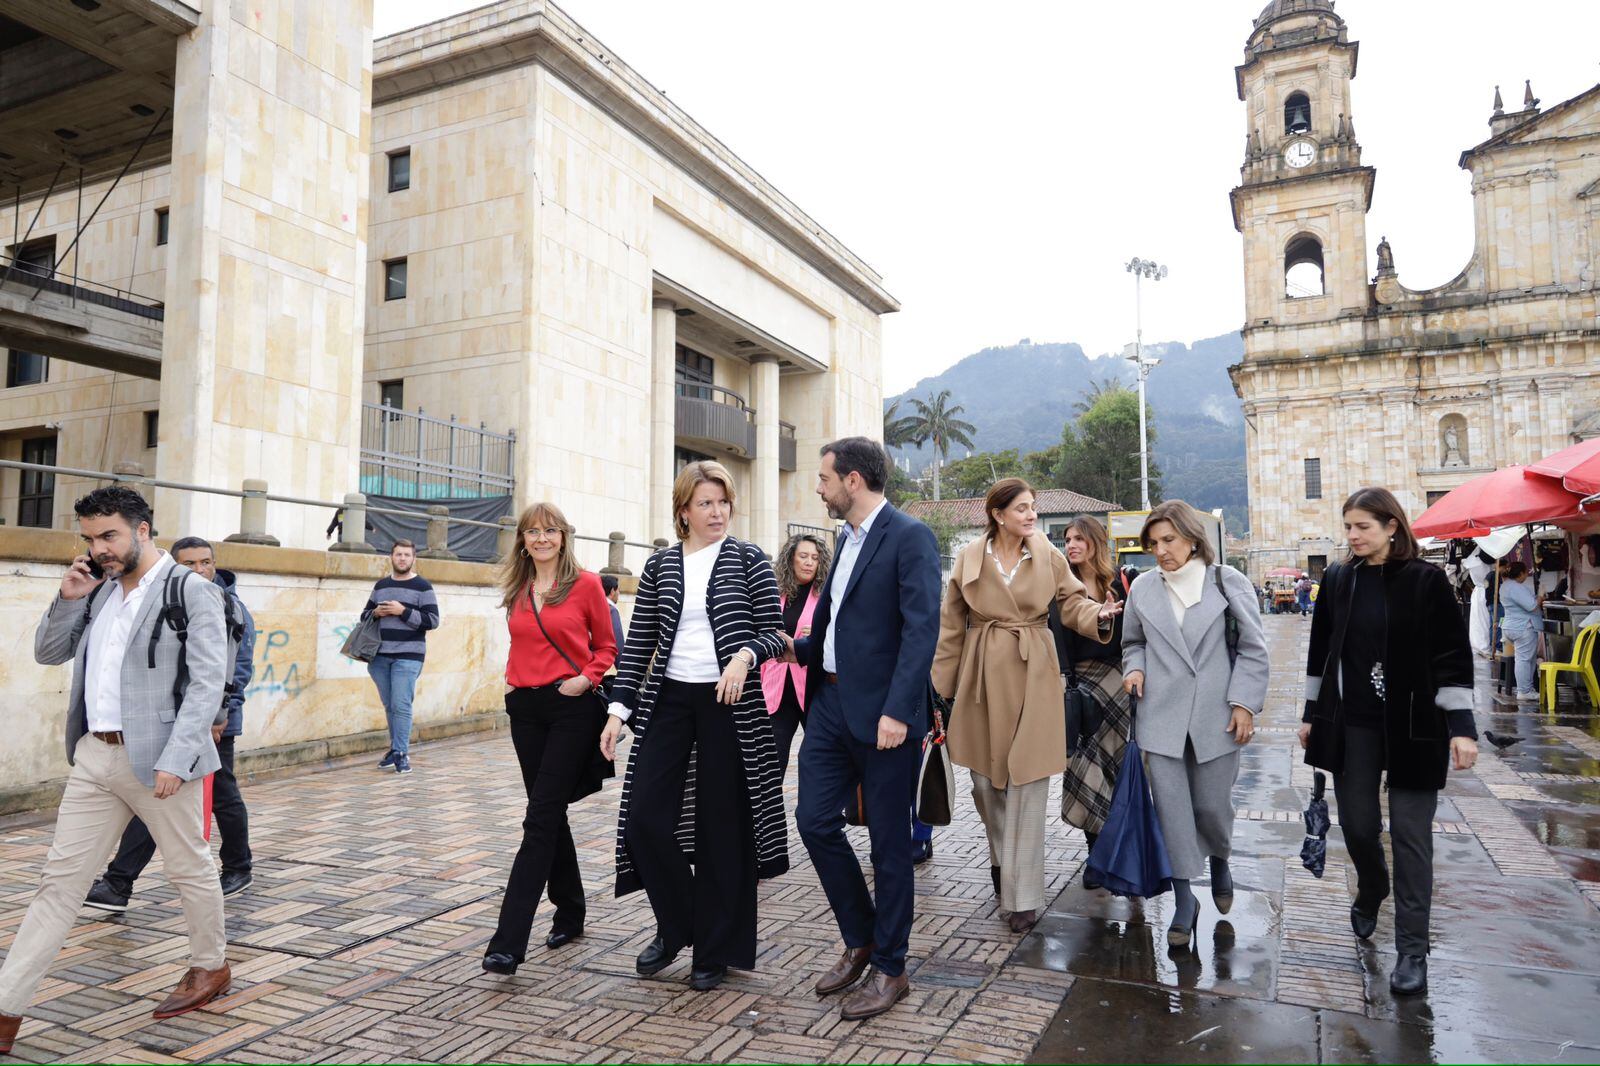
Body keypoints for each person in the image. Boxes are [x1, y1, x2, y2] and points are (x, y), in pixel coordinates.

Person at [1, 488, 232, 1055]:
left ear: (143, 530)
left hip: (161, 759)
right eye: (90, 538)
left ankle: (211, 965)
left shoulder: (191, 590)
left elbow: (208, 683)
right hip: (95, 756)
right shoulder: (98, 591)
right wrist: (67, 597)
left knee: (188, 867)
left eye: (109, 536)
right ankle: (6, 1011)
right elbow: (49, 654)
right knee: (60, 883)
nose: (99, 548)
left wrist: (178, 760)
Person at [599, 461, 789, 993]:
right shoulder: (660, 566)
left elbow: (775, 633)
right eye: (706, 503)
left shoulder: (749, 559)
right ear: (684, 510)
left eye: (724, 502)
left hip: (729, 704)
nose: (718, 512)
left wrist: (746, 654)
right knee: (644, 820)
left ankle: (714, 947)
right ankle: (679, 923)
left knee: (721, 831)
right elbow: (637, 647)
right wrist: (617, 713)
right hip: (670, 701)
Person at [1299, 487, 1478, 996]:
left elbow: (1451, 656)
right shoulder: (1337, 578)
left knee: (1411, 837)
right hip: (1352, 722)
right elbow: (1322, 651)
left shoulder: (1427, 581)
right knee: (1357, 824)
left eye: (1363, 527)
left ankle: (1412, 952)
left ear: (1392, 527)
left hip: (1415, 725)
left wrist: (1462, 729)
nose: (1352, 537)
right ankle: (1372, 885)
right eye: (1348, 527)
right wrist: (1312, 713)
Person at [786, 436, 941, 1021]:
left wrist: (899, 712)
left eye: (824, 478)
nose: (819, 489)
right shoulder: (841, 539)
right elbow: (835, 622)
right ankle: (862, 936)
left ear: (853, 480)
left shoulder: (910, 537)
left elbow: (920, 631)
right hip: (826, 705)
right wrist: (795, 650)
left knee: (889, 845)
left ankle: (892, 967)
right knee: (813, 821)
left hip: (883, 718)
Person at [934, 481, 1120, 934]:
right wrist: (941, 688)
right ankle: (1002, 860)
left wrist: (1097, 615)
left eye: (1033, 508)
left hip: (1036, 668)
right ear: (998, 514)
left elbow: (1072, 601)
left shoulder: (1048, 554)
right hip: (981, 672)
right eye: (1022, 508)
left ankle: (1023, 897)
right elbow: (951, 625)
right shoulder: (969, 558)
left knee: (1030, 781)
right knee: (984, 782)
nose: (1032, 515)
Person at [1122, 499, 1270, 948]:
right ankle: (1185, 900)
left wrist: (1243, 703)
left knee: (1211, 806)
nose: (1161, 550)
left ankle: (1220, 857)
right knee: (1172, 813)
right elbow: (1133, 642)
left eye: (1168, 539)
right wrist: (1135, 667)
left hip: (1216, 715)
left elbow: (1253, 648)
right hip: (1161, 716)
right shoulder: (1144, 588)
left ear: (1191, 537)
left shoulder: (1227, 581)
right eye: (1153, 543)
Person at [84, 536, 258, 912]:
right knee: (156, 797)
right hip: (171, 720)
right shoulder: (170, 596)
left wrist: (220, 717)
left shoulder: (231, 606)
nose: (200, 570)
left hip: (212, 721)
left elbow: (234, 669)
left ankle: (238, 866)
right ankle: (119, 882)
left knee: (223, 794)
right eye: (191, 563)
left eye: (206, 562)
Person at [481, 503, 618, 976]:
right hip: (525, 708)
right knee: (548, 810)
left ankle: (507, 942)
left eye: (550, 530)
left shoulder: (586, 585)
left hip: (570, 706)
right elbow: (523, 644)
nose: (541, 538)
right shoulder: (518, 588)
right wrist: (514, 685)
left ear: (563, 536)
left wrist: (586, 678)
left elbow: (607, 646)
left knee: (538, 818)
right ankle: (571, 909)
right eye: (532, 531)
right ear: (522, 540)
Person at [1056, 515, 1133, 888]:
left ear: (1094, 542)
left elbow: (1133, 633)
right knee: (1083, 767)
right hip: (1081, 686)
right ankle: (1095, 855)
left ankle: (1118, 851)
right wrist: (1065, 681)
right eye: (1067, 539)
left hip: (1117, 681)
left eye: (1078, 538)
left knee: (1117, 770)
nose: (1071, 544)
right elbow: (1057, 637)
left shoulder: (1118, 581)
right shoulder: (1061, 587)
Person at [363, 540, 440, 775]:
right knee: (390, 705)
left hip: (408, 655)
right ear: (391, 557)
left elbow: (432, 621)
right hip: (379, 656)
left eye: (407, 555)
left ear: (413, 558)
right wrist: (376, 613)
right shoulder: (381, 585)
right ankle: (395, 748)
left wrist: (403, 611)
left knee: (401, 704)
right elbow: (363, 615)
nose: (403, 558)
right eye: (399, 554)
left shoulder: (423, 586)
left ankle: (401, 753)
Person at [762, 532, 830, 779]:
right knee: (771, 764)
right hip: (776, 691)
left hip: (813, 692)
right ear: (791, 559)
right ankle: (768, 815)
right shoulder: (774, 595)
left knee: (818, 763)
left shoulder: (825, 599)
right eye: (803, 556)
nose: (809, 562)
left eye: (815, 557)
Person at [1497, 561, 1540, 703]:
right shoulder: (1516, 587)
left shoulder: (1505, 586)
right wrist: (1540, 597)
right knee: (1524, 660)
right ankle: (1524, 691)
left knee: (1526, 659)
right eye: (1526, 573)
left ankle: (1527, 688)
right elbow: (1531, 606)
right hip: (1522, 627)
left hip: (1511, 625)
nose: (1526, 576)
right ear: (1520, 573)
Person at [600, 573, 627, 658]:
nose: (619, 593)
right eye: (618, 590)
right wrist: (622, 667)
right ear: (612, 591)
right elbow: (618, 642)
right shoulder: (612, 611)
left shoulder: (594, 607)